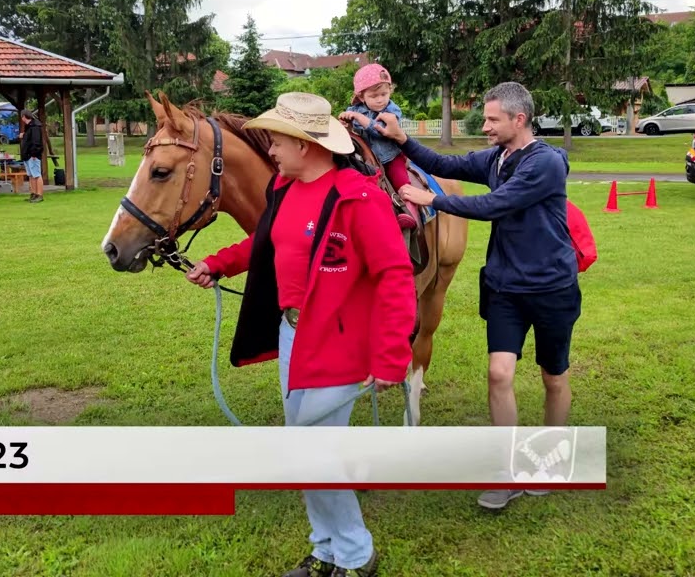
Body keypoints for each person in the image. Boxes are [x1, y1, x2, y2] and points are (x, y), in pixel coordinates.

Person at [184, 92, 416, 577]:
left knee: (316, 454)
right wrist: (217, 263)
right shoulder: (284, 189)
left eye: (276, 141)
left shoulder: (359, 198)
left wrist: (392, 356)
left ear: (305, 145)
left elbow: (394, 276)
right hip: (293, 335)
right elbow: (265, 241)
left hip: (341, 343)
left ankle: (356, 555)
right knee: (303, 449)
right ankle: (326, 550)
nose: (270, 150)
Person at [376, 81, 581, 512]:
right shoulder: (496, 158)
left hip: (551, 287)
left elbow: (495, 205)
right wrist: (402, 138)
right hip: (505, 286)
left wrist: (431, 199)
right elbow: (442, 162)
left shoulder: (545, 164)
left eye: (491, 119)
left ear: (518, 120)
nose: (484, 126)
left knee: (553, 377)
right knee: (499, 374)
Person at [338, 63, 420, 230]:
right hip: (367, 160)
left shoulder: (392, 110)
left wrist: (358, 118)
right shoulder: (355, 110)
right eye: (374, 96)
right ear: (362, 97)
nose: (380, 99)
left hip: (391, 157)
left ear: (390, 91)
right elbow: (352, 133)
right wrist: (345, 122)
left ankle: (410, 212)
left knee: (402, 183)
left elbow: (380, 130)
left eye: (384, 93)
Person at [19, 109, 44, 203]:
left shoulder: (35, 127)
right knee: (31, 175)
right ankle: (33, 194)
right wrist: (24, 135)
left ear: (24, 117)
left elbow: (36, 142)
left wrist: (34, 154)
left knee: (36, 175)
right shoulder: (29, 127)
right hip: (27, 155)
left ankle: (39, 195)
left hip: (32, 155)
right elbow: (29, 139)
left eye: (21, 116)